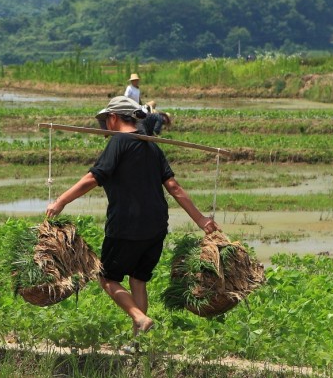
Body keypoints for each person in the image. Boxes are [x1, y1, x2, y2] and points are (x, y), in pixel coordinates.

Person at [45, 96, 219, 335]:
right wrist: (201, 220)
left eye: (106, 119)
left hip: (127, 225)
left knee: (106, 278)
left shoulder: (119, 143)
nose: (106, 125)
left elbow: (93, 178)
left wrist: (61, 201)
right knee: (138, 280)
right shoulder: (152, 146)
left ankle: (139, 317)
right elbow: (174, 187)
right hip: (157, 226)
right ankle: (139, 341)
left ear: (114, 117)